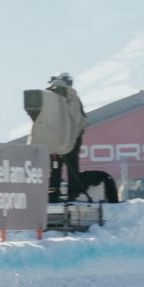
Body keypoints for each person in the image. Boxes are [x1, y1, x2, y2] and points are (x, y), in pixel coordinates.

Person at [28, 72, 87, 203]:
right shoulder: (71, 94)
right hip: (69, 138)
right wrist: (74, 135)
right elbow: (78, 118)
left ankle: (53, 193)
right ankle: (73, 193)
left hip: (49, 140)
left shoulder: (44, 96)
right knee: (72, 163)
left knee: (54, 167)